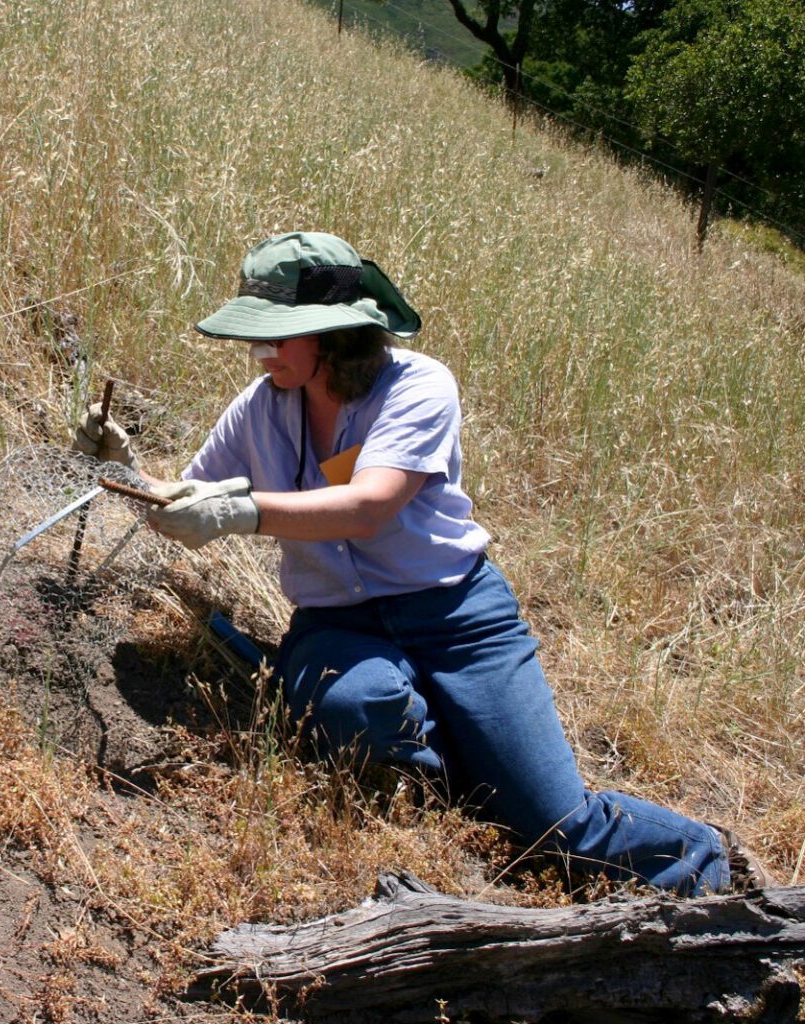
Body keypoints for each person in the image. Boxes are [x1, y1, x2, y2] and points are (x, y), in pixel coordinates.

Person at [75, 230, 769, 896]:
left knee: (553, 827)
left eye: (274, 335)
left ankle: (707, 862)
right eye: (253, 335)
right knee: (364, 705)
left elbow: (368, 505)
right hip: (337, 625)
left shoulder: (418, 386)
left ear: (334, 331)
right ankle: (449, 771)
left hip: (460, 620)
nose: (259, 353)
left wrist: (242, 511)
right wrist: (127, 469)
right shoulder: (257, 408)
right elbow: (185, 503)